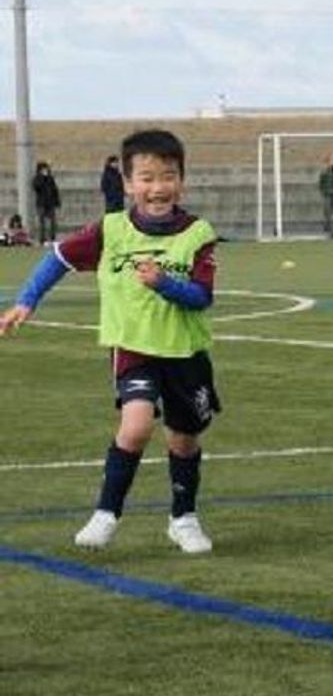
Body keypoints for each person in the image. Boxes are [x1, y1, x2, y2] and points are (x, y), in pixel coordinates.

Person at [0, 130, 220, 553]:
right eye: (147, 177)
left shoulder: (198, 232)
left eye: (168, 176)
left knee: (183, 438)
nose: (158, 187)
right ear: (128, 183)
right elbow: (58, 258)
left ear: (182, 180)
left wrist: (164, 284)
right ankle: (106, 513)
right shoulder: (111, 229)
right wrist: (26, 301)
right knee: (135, 427)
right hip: (134, 348)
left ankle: (183, 518)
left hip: (186, 353)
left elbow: (201, 297)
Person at [32, 161, 61, 245]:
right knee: (42, 223)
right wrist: (42, 177)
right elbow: (36, 187)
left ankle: (52, 237)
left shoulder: (50, 178)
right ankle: (42, 239)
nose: (45, 170)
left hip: (50, 203)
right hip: (41, 204)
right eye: (43, 169)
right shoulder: (37, 178)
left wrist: (57, 201)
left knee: (53, 222)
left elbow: (55, 190)